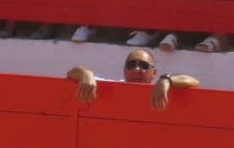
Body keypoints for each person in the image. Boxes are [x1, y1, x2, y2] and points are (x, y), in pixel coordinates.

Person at [67, 48, 200, 111]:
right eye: (131, 65)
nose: (137, 69)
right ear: (124, 70)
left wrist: (166, 80)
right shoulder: (113, 87)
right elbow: (72, 73)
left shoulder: (161, 90)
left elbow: (193, 81)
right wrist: (86, 74)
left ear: (154, 72)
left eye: (143, 65)